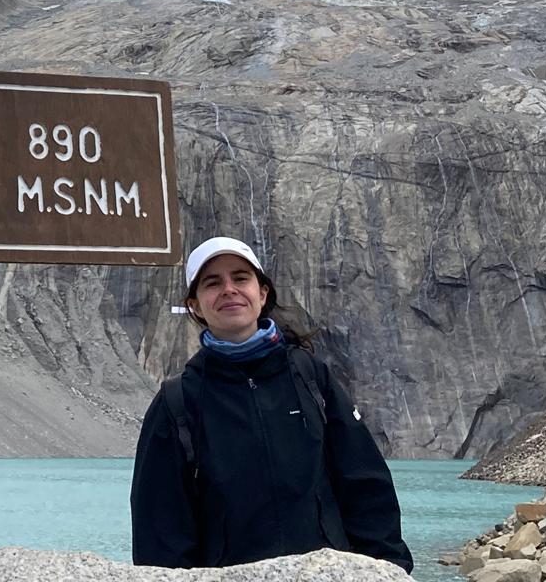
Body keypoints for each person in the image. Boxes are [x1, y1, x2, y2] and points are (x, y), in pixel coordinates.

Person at [130, 235, 413, 572]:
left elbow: (364, 481)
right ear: (195, 305)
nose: (229, 289)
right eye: (212, 282)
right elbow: (159, 523)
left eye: (240, 277)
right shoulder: (177, 401)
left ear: (262, 294)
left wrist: (389, 567)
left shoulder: (311, 378)